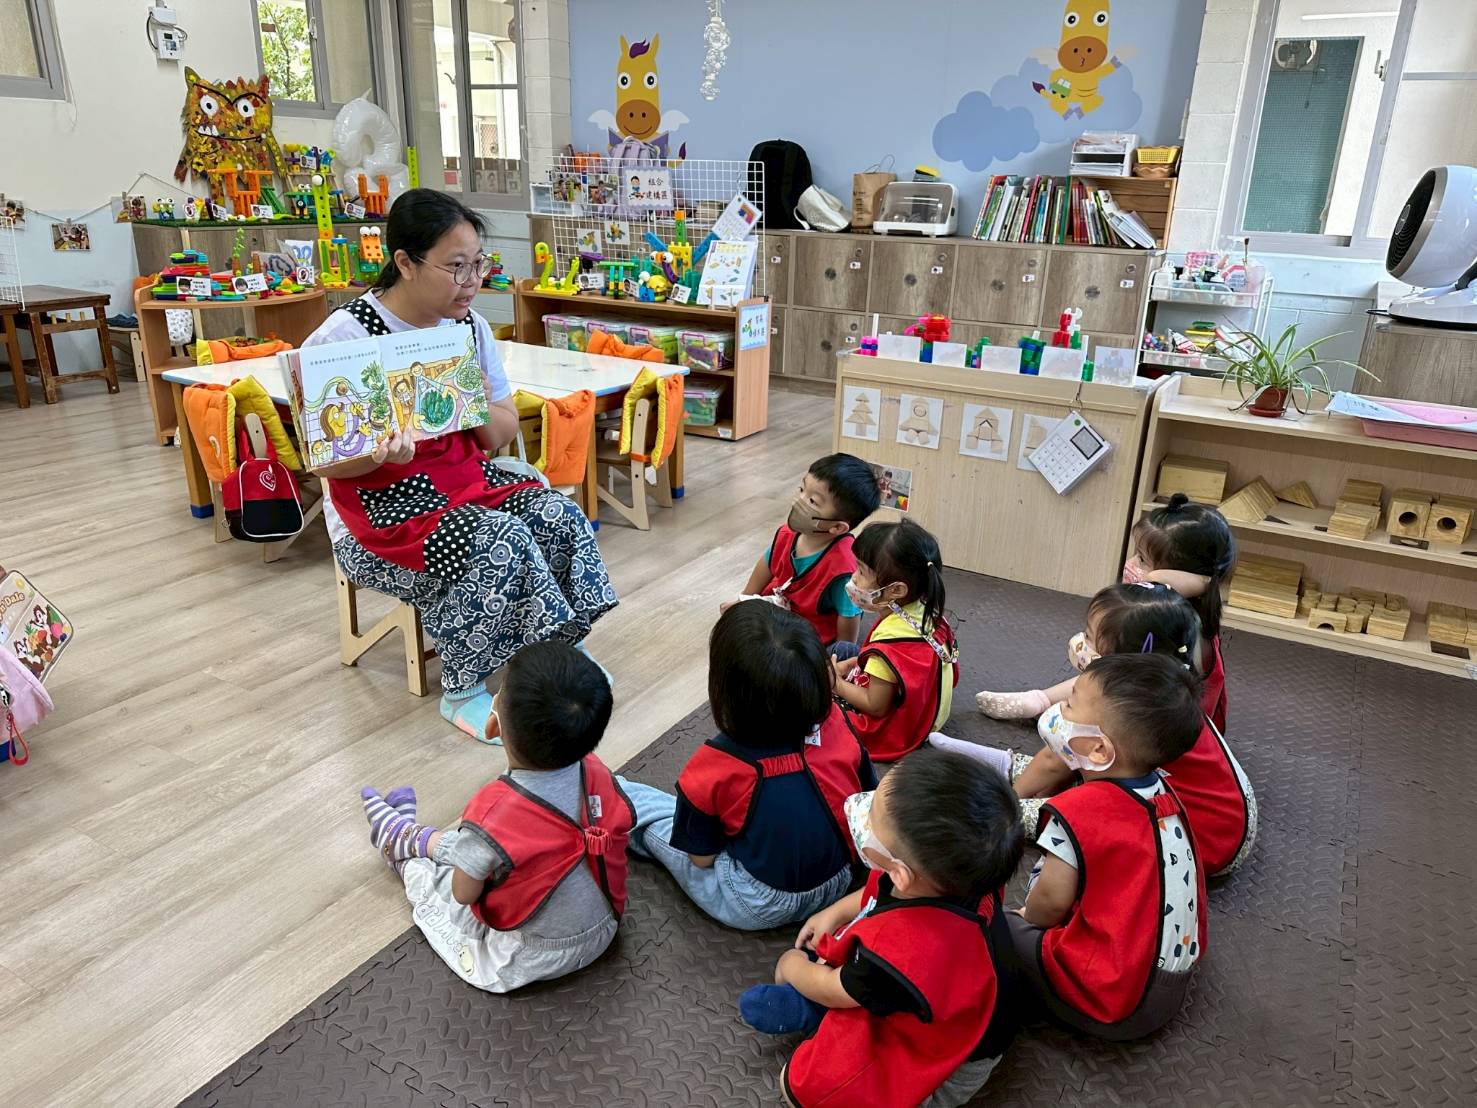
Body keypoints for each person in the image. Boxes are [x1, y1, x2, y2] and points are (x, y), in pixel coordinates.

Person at [303, 189, 617, 738]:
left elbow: (502, 429)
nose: (472, 281)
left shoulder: (468, 328)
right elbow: (326, 465)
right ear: (405, 262)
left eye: (478, 264)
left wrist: (463, 399)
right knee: (498, 539)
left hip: (465, 483)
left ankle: (558, 651)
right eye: (456, 267)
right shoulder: (343, 338)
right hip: (381, 514)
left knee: (558, 515)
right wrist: (375, 456)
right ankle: (464, 687)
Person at [738, 747, 1024, 1108]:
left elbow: (834, 988)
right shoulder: (957, 874)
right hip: (965, 1005)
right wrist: (835, 912)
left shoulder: (906, 951)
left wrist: (792, 966)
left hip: (950, 1065)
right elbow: (879, 890)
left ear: (902, 874)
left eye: (871, 819)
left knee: (798, 1087)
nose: (861, 812)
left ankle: (809, 1016)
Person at [355, 641, 631, 993]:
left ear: (492, 725)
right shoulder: (595, 771)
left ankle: (403, 849)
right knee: (484, 849)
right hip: (605, 926)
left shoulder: (494, 812)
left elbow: (463, 894)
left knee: (441, 894)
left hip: (531, 956)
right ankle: (419, 838)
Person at [935, 583, 1257, 875]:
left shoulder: (1118, 706)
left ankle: (1005, 800)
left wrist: (1009, 805)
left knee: (1067, 811)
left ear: (1125, 657)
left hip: (1199, 840)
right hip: (1232, 815)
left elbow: (1054, 760)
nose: (1081, 643)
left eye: (1089, 638)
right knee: (1084, 754)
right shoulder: (1164, 689)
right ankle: (1006, 767)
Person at [619, 602, 877, 930]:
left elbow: (701, 859)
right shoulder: (838, 722)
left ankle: (612, 792)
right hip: (844, 879)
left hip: (759, 903)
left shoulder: (714, 765)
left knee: (658, 820)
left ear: (724, 690)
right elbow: (868, 795)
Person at [1010, 654, 1207, 1040]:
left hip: (1111, 1001)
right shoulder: (1164, 794)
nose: (1058, 711)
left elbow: (1048, 904)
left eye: (1069, 705)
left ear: (1100, 750)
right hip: (1168, 981)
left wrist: (1022, 918)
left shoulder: (1080, 810)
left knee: (993, 924)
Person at [976, 494, 1235, 731]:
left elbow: (1120, 679)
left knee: (1102, 673)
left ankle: (1043, 703)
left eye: (1142, 560)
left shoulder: (1180, 630)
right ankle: (1040, 700)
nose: (1130, 564)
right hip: (1143, 695)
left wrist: (1188, 580)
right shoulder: (1171, 612)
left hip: (1162, 728)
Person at [831, 519, 958, 761]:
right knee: (845, 650)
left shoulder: (890, 643)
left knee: (810, 701)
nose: (854, 578)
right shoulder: (926, 612)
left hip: (895, 732)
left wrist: (835, 684)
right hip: (928, 712)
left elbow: (876, 706)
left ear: (896, 590)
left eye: (861, 571)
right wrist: (855, 663)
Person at [730, 454, 881, 647]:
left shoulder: (843, 568)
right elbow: (767, 563)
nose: (799, 501)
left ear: (837, 527)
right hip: (780, 611)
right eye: (802, 489)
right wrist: (743, 600)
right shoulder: (787, 533)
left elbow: (848, 616)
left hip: (810, 635)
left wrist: (840, 654)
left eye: (812, 501)